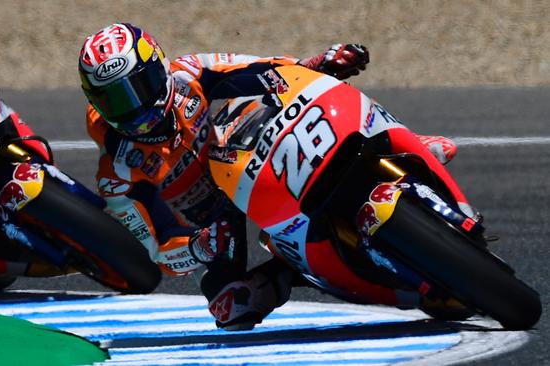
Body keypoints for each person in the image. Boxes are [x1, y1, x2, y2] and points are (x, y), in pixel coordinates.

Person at [79, 23, 458, 330]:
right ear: (96, 103)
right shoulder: (117, 171)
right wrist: (197, 246)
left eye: (139, 88)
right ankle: (288, 272)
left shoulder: (190, 71)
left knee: (285, 93)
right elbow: (155, 250)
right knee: (230, 306)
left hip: (242, 149)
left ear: (159, 67)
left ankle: (396, 149)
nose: (135, 108)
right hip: (213, 218)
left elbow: (260, 68)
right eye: (116, 100)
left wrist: (316, 64)